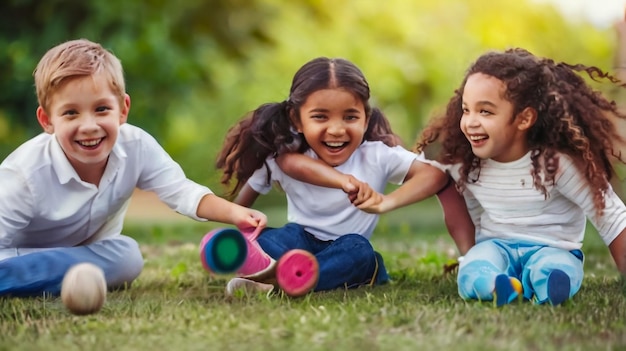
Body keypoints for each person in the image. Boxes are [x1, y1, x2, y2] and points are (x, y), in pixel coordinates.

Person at [0, 39, 267, 297]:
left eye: (102, 109)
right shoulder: (25, 174)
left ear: (122, 109)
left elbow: (181, 191)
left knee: (128, 257)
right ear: (47, 120)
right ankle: (40, 276)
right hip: (17, 253)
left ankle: (50, 277)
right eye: (71, 113)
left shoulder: (136, 146)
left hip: (90, 252)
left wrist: (234, 212)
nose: (89, 125)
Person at [214, 57, 475, 297]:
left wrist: (386, 202)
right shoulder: (283, 157)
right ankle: (278, 274)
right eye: (320, 117)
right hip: (298, 243)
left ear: (365, 118)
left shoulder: (376, 156)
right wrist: (245, 233)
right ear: (297, 119)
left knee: (359, 251)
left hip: (346, 247)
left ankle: (283, 281)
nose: (337, 130)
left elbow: (436, 177)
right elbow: (240, 209)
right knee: (275, 239)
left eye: (350, 117)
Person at [414, 47, 626, 306]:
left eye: (485, 111)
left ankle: (547, 285)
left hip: (553, 249)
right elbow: (455, 199)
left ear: (524, 118)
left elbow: (612, 219)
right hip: (496, 247)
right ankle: (496, 285)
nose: (470, 122)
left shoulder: (557, 165)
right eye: (466, 109)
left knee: (556, 268)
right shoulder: (468, 163)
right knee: (474, 267)